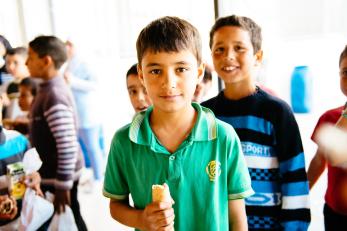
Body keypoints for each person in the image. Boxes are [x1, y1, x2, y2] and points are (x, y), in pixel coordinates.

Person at [103, 16, 254, 231]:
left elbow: (237, 217)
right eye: (155, 71)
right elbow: (116, 205)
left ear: (199, 72)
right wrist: (141, 220)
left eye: (181, 69)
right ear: (141, 74)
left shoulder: (223, 137)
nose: (169, 83)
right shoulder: (124, 142)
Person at [202, 15, 311, 230]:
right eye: (219, 49)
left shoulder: (276, 112)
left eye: (239, 48)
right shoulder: (205, 115)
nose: (228, 56)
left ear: (257, 56)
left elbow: (294, 177)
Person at [26, 35, 87, 231]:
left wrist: (62, 186)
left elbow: (67, 146)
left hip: (60, 175)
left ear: (46, 61)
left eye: (30, 57)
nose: (27, 62)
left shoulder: (54, 95)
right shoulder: (46, 89)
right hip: (55, 173)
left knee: (70, 217)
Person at [307, 44, 347, 230]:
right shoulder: (330, 117)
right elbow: (319, 161)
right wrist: (301, 197)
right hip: (334, 213)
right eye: (345, 71)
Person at [64, 39, 105, 182]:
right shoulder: (69, 63)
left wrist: (73, 81)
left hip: (88, 114)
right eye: (66, 44)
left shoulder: (85, 63)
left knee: (93, 147)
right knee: (85, 147)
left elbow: (95, 84)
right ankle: (93, 173)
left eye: (70, 44)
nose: (67, 47)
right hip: (77, 113)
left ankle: (99, 178)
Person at [0, 95, 42, 230]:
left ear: (1, 100)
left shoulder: (19, 141)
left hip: (20, 223)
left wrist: (35, 179)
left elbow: (33, 173)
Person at [3, 47, 30, 120]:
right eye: (8, 63)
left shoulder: (36, 84)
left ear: (27, 62)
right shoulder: (8, 85)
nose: (10, 67)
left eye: (16, 63)